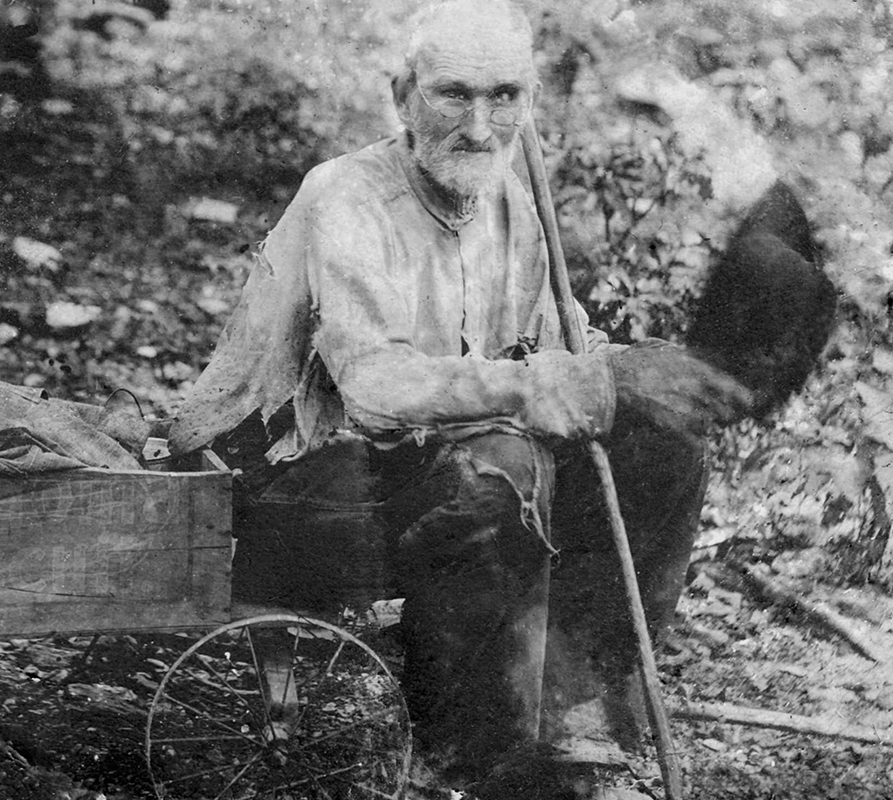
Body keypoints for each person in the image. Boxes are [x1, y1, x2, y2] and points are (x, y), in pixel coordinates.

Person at [169, 0, 752, 795]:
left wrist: (633, 376)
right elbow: (375, 390)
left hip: (446, 474)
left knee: (664, 436)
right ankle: (465, 758)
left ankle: (576, 710)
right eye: (454, 95)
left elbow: (559, 346)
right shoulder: (348, 198)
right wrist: (532, 387)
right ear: (402, 93)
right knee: (502, 465)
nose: (481, 125)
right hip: (299, 485)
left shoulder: (513, 199)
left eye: (504, 96)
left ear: (529, 101)